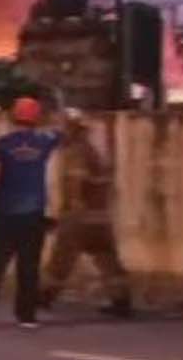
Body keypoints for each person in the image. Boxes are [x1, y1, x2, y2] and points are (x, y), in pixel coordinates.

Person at [0, 96, 60, 328]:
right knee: (28, 265)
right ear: (36, 118)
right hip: (32, 215)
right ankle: (26, 315)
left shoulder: (3, 144)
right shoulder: (44, 141)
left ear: (13, 116)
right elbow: (66, 131)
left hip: (4, 213)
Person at [40, 111, 133, 318]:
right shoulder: (94, 152)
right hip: (100, 218)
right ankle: (122, 301)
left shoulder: (76, 153)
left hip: (79, 217)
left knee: (60, 260)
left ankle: (44, 297)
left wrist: (66, 213)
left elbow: (76, 184)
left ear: (71, 130)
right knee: (108, 261)